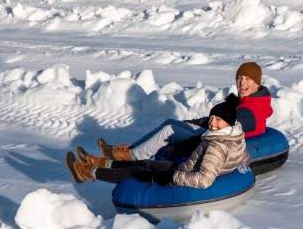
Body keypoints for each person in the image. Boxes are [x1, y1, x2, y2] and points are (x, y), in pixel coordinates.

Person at [96, 61, 273, 162]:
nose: (242, 83)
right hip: (216, 133)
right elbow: (220, 120)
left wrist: (190, 134)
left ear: (257, 83)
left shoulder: (251, 111)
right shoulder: (247, 102)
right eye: (239, 78)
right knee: (170, 123)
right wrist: (194, 123)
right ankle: (129, 149)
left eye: (247, 79)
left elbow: (224, 130)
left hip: (218, 141)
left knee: (170, 130)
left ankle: (131, 156)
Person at [66, 101, 249, 189]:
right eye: (211, 118)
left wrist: (176, 176)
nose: (213, 124)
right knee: (145, 163)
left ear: (229, 123)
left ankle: (88, 173)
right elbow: (245, 160)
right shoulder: (236, 137)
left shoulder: (216, 146)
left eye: (218, 120)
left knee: (134, 172)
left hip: (178, 177)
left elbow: (204, 180)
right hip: (182, 169)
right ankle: (100, 162)